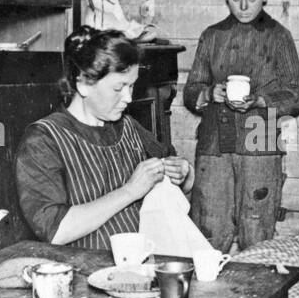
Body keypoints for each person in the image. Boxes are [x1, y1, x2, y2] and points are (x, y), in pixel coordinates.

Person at [15, 28, 192, 249]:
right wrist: (130, 191)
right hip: (81, 269)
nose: (128, 98)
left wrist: (184, 171)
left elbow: (179, 176)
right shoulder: (43, 140)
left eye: (132, 86)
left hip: (140, 263)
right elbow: (55, 230)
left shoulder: (127, 126)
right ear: (83, 84)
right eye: (118, 88)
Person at [183, 0, 299, 252]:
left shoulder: (279, 37)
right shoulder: (212, 36)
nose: (243, 7)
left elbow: (298, 94)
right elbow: (191, 90)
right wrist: (208, 93)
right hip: (214, 142)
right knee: (209, 228)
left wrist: (262, 100)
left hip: (260, 138)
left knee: (257, 227)